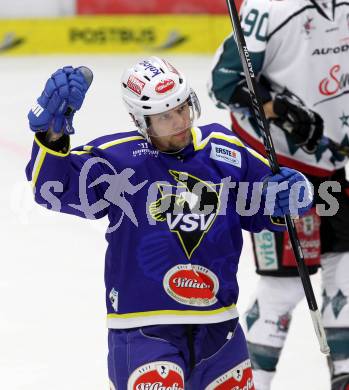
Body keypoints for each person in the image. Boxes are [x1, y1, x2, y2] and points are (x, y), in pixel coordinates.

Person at [26, 57, 312, 389]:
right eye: (164, 116)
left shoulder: (225, 150)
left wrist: (296, 193)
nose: (179, 121)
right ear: (141, 120)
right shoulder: (117, 160)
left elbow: (269, 201)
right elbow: (53, 189)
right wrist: (52, 137)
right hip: (144, 328)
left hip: (220, 326)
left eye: (182, 108)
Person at [208, 0, 349, 389]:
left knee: (346, 266)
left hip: (329, 162)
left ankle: (345, 373)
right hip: (281, 171)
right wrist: (277, 107)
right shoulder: (269, 8)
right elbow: (222, 83)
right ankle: (250, 381)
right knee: (284, 286)